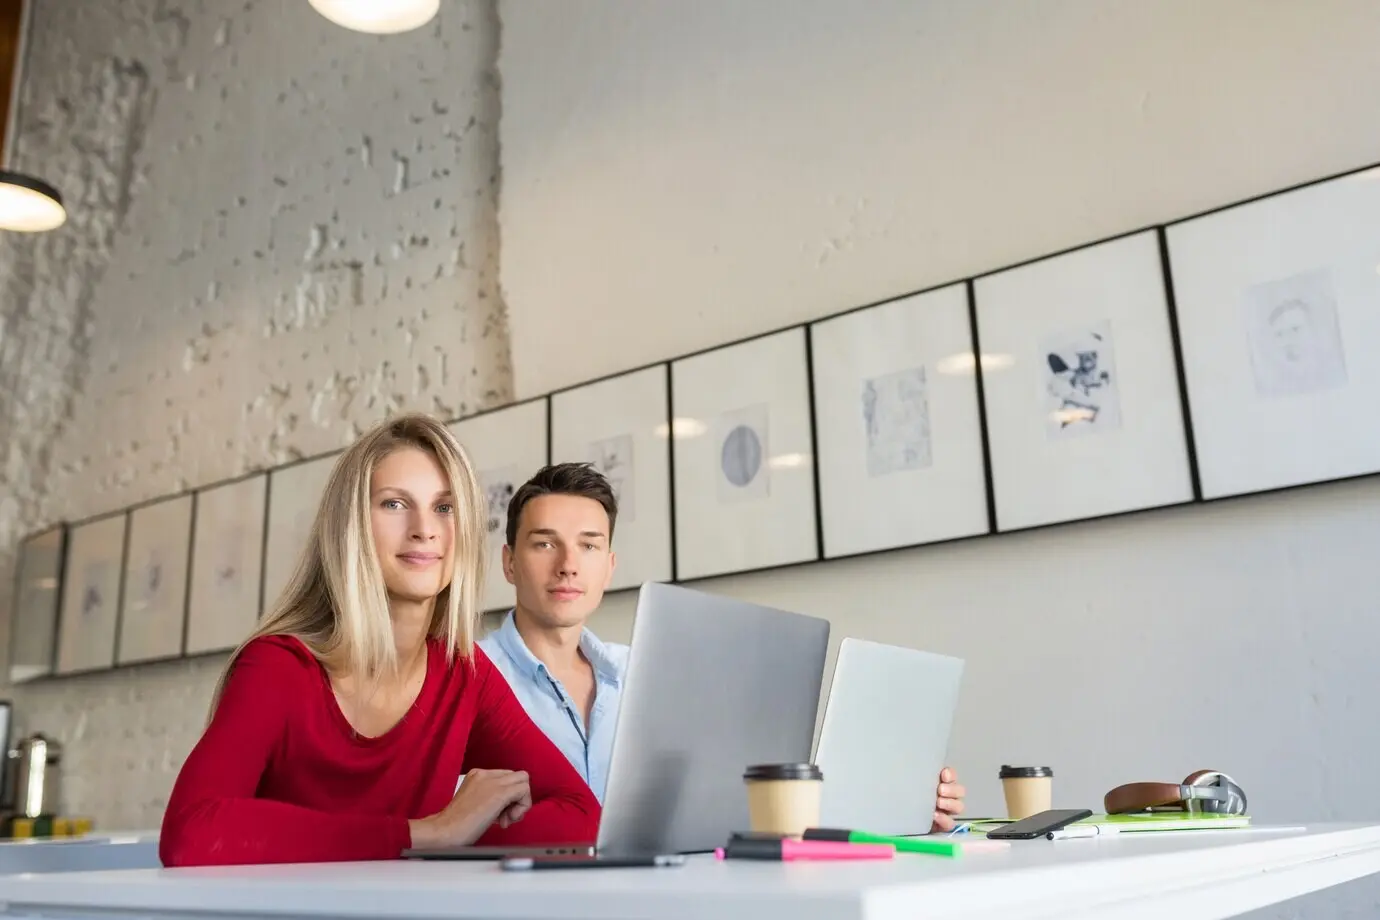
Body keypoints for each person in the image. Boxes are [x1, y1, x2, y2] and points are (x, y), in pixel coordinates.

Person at [159, 414, 600, 867]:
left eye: (444, 508)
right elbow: (191, 834)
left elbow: (582, 814)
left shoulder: (462, 672)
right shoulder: (279, 666)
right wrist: (428, 833)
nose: (424, 529)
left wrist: (452, 834)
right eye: (394, 504)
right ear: (350, 525)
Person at [479, 462, 968, 832]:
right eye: (545, 544)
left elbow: (720, 801)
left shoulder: (644, 673)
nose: (568, 564)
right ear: (509, 562)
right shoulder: (467, 676)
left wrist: (898, 808)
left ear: (608, 567)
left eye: (588, 545)